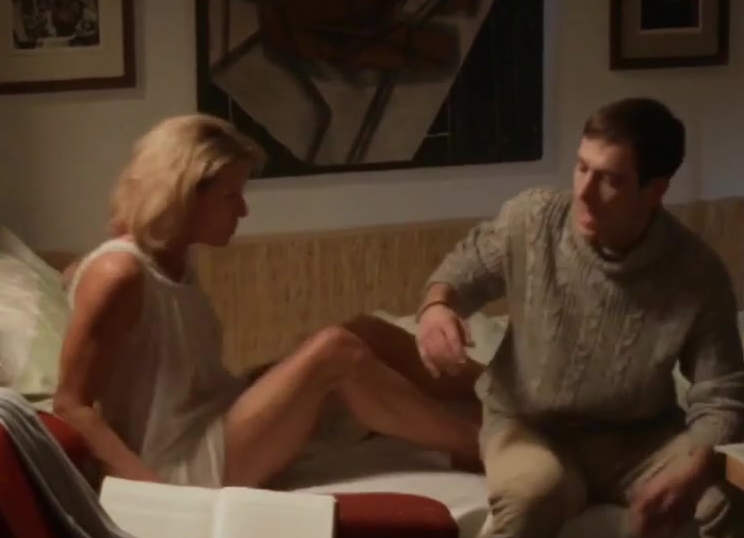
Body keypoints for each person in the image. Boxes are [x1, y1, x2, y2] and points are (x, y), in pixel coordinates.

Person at [414, 98, 744, 538]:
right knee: (527, 500)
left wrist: (695, 465)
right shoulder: (532, 219)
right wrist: (435, 309)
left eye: (610, 179)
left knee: (743, 498)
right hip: (530, 425)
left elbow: (723, 395)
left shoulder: (695, 270)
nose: (583, 190)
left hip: (638, 439)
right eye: (581, 167)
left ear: (655, 190)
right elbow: (459, 271)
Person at [52, 114, 480, 489]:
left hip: (215, 421)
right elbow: (71, 406)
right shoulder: (119, 273)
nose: (243, 210)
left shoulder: (169, 258)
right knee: (335, 351)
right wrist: (157, 494)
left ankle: (498, 391)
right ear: (183, 194)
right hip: (183, 466)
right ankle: (481, 446)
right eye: (230, 196)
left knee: (363, 331)